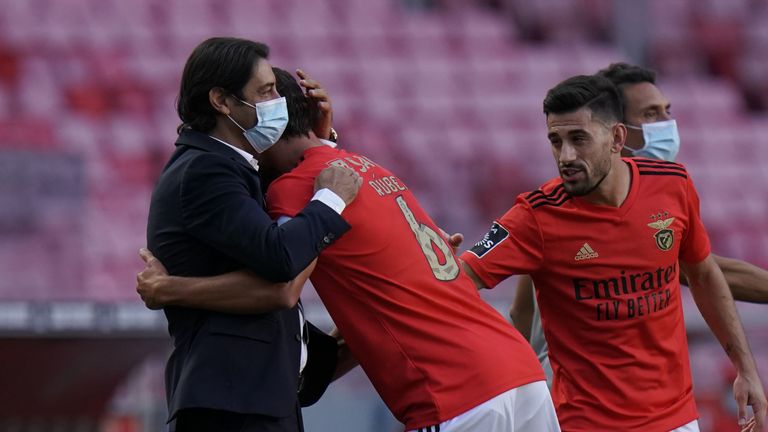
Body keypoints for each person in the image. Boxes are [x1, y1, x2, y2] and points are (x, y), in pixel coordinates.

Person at [139, 66, 560, 432]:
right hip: (519, 376)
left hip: (457, 392)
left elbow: (281, 287)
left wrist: (168, 289)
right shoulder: (370, 167)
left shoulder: (296, 189)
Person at [461, 74, 766, 432]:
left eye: (578, 139)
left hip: (677, 421)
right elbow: (458, 280)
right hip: (586, 423)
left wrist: (746, 370)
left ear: (617, 138)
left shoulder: (673, 184)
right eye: (555, 141)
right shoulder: (536, 216)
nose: (566, 156)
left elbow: (704, 273)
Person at [145, 37, 363, 432]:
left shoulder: (231, 168)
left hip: (255, 397)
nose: (278, 100)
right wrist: (331, 197)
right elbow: (280, 258)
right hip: (231, 403)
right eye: (265, 91)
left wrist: (321, 145)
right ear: (222, 101)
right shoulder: (204, 171)